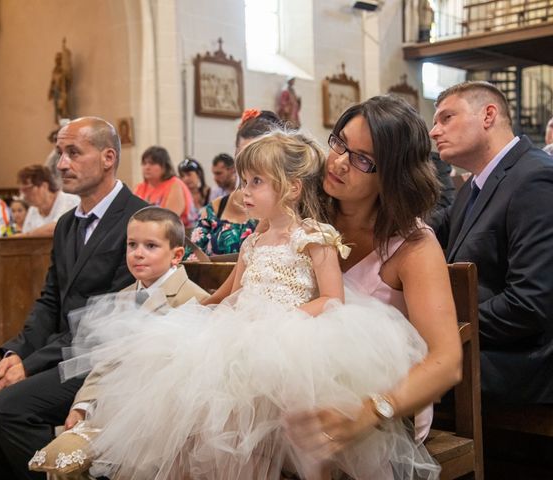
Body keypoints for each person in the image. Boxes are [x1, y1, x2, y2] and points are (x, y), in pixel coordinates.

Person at [50, 130, 443, 480]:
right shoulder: (253, 241)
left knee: (286, 414)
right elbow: (232, 290)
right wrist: (204, 311)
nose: (243, 192)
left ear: (291, 188)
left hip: (292, 338)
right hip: (244, 332)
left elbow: (331, 298)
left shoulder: (313, 237)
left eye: (256, 182)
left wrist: (283, 323)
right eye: (243, 182)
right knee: (193, 396)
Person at [206, 97, 462, 477]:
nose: (339, 161)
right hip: (279, 385)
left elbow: (446, 362)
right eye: (339, 142)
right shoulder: (295, 212)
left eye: (362, 159)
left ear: (392, 174)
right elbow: (234, 290)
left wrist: (371, 411)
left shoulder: (413, 246)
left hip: (371, 404)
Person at [0, 116, 148, 480]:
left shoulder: (139, 219)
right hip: (59, 350)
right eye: (59, 153)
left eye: (73, 153)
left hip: (102, 356)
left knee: (9, 407)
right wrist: (16, 353)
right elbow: (50, 299)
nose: (61, 164)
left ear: (108, 157)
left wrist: (30, 366)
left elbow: (110, 316)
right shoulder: (68, 222)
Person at [28, 206, 209, 477]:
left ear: (177, 255)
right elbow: (104, 361)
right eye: (132, 245)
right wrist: (83, 405)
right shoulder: (123, 296)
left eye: (150, 246)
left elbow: (195, 375)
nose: (137, 253)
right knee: (62, 464)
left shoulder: (193, 300)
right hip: (112, 404)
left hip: (161, 417)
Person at [429, 81, 553, 403]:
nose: (434, 131)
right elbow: (425, 234)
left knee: (397, 369)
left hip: (524, 358)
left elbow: (529, 303)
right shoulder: (474, 186)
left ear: (488, 115)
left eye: (446, 118)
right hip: (487, 343)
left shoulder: (535, 178)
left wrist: (444, 326)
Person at [183, 110, 282, 260]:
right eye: (242, 154)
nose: (248, 163)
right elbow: (190, 262)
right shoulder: (215, 209)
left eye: (256, 155)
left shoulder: (284, 211)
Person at [134, 146, 194, 228]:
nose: (147, 167)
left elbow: (169, 220)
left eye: (152, 163)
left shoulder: (175, 184)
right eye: (144, 163)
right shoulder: (140, 187)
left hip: (177, 234)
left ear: (165, 166)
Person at [16, 164, 79, 236]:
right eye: (22, 191)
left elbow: (58, 228)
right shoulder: (33, 209)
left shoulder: (69, 201)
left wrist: (28, 235)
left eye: (27, 189)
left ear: (44, 186)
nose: (24, 196)